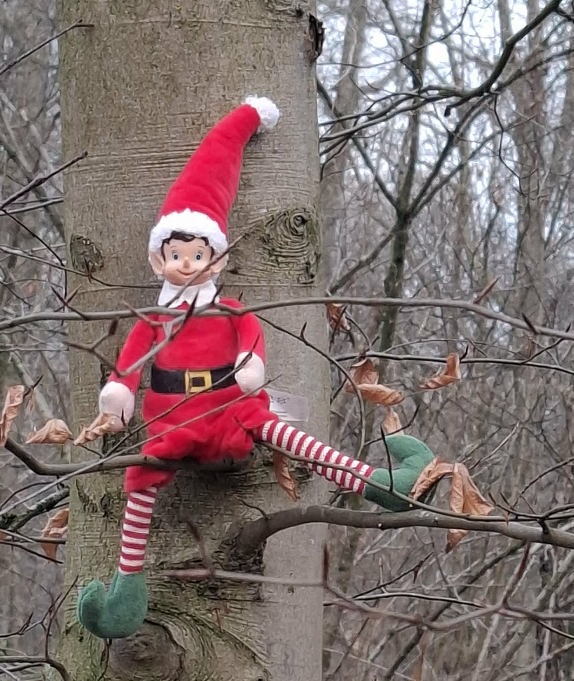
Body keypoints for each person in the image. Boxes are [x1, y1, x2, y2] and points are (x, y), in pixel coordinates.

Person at [73, 96, 436, 640]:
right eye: (177, 256)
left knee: (292, 437)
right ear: (160, 259)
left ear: (215, 258)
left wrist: (249, 367)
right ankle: (125, 594)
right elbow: (130, 362)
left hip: (228, 408)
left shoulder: (231, 309)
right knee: (140, 484)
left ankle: (386, 484)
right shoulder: (153, 317)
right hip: (169, 419)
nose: (188, 265)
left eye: (198, 255)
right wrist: (119, 391)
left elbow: (251, 343)